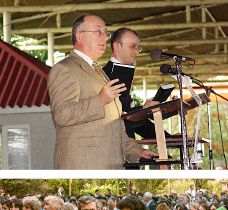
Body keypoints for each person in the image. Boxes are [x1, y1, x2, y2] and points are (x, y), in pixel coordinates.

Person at [48, 14, 157, 169]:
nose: (104, 38)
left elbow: (114, 125)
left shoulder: (100, 72)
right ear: (80, 36)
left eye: (106, 33)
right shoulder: (64, 69)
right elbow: (62, 115)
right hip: (83, 166)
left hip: (109, 165)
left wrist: (136, 151)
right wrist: (100, 100)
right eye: (98, 32)